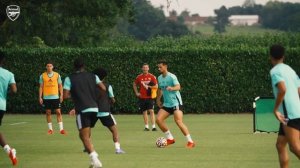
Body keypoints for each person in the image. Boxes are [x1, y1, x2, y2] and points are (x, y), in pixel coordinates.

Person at [63, 58, 106, 168]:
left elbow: (65, 96)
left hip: (82, 110)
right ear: (84, 66)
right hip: (94, 109)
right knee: (83, 135)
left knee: (84, 135)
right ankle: (92, 159)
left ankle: (94, 156)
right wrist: (95, 97)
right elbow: (103, 88)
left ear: (74, 66)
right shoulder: (93, 76)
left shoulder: (69, 78)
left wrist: (76, 95)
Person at [269, 44, 300, 168]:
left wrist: (275, 109)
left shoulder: (275, 71)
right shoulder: (290, 69)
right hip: (294, 112)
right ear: (283, 56)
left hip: (289, 114)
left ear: (270, 56)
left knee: (294, 147)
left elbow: (282, 89)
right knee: (280, 145)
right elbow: (299, 90)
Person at [155, 59, 195, 148]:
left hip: (176, 103)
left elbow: (178, 86)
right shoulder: (159, 78)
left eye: (160, 67)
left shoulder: (172, 77)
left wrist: (172, 88)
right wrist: (158, 99)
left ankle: (190, 142)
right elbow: (160, 89)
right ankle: (170, 139)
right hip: (167, 104)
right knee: (158, 120)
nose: (159, 68)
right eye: (158, 67)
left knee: (178, 121)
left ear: (165, 66)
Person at [93, 67, 125, 154]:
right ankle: (117, 149)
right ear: (104, 77)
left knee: (87, 129)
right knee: (114, 130)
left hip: (93, 111)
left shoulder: (90, 86)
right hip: (104, 112)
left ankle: (87, 147)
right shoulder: (108, 86)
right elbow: (112, 99)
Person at [0, 51, 18, 165]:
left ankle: (9, 150)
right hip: (1, 105)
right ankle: (9, 150)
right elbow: (14, 90)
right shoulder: (9, 74)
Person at [39, 61, 65, 134]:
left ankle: (61, 129)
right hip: (46, 98)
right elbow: (41, 87)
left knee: (58, 112)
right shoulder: (42, 76)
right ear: (46, 67)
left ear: (53, 67)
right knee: (48, 112)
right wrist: (40, 97)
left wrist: (61, 95)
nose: (49, 67)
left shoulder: (57, 75)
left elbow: (60, 86)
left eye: (50, 66)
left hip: (55, 97)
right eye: (48, 66)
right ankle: (50, 130)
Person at [133, 63, 158, 131]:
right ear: (142, 68)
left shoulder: (152, 76)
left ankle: (153, 126)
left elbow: (156, 86)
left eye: (146, 67)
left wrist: (149, 86)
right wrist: (136, 92)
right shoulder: (139, 77)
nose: (145, 69)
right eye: (144, 67)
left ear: (148, 68)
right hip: (142, 97)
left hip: (150, 96)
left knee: (151, 111)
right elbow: (134, 84)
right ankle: (146, 127)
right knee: (144, 111)